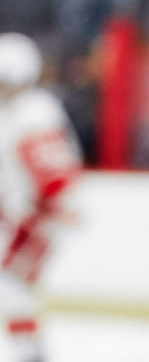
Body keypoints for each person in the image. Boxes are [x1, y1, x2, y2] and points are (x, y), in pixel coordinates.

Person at [0, 33, 81, 362]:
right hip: (30, 216)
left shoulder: (31, 114)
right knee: (12, 285)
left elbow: (55, 177)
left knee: (10, 285)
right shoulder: (26, 110)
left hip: (35, 218)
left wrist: (42, 211)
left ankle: (31, 355)